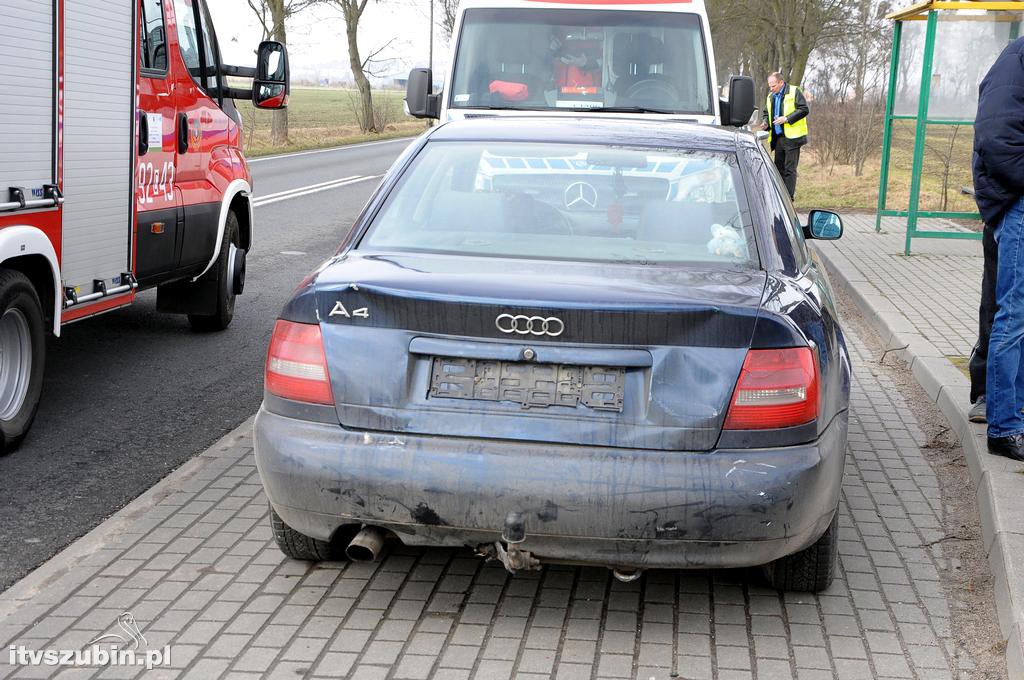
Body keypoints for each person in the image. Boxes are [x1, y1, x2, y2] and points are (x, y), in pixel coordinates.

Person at [977, 37, 1024, 460]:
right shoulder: (1014, 63)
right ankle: (1004, 427)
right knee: (1014, 314)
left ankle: (1016, 414)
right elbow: (996, 141)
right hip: (1017, 206)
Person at [760, 72, 809, 199]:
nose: (771, 89)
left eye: (773, 86)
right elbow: (766, 113)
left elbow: (804, 109)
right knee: (778, 169)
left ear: (781, 82)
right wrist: (766, 122)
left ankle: (788, 199)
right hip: (778, 138)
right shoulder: (771, 96)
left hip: (793, 138)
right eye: (770, 86)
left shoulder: (794, 91)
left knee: (789, 170)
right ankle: (779, 198)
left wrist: (786, 119)